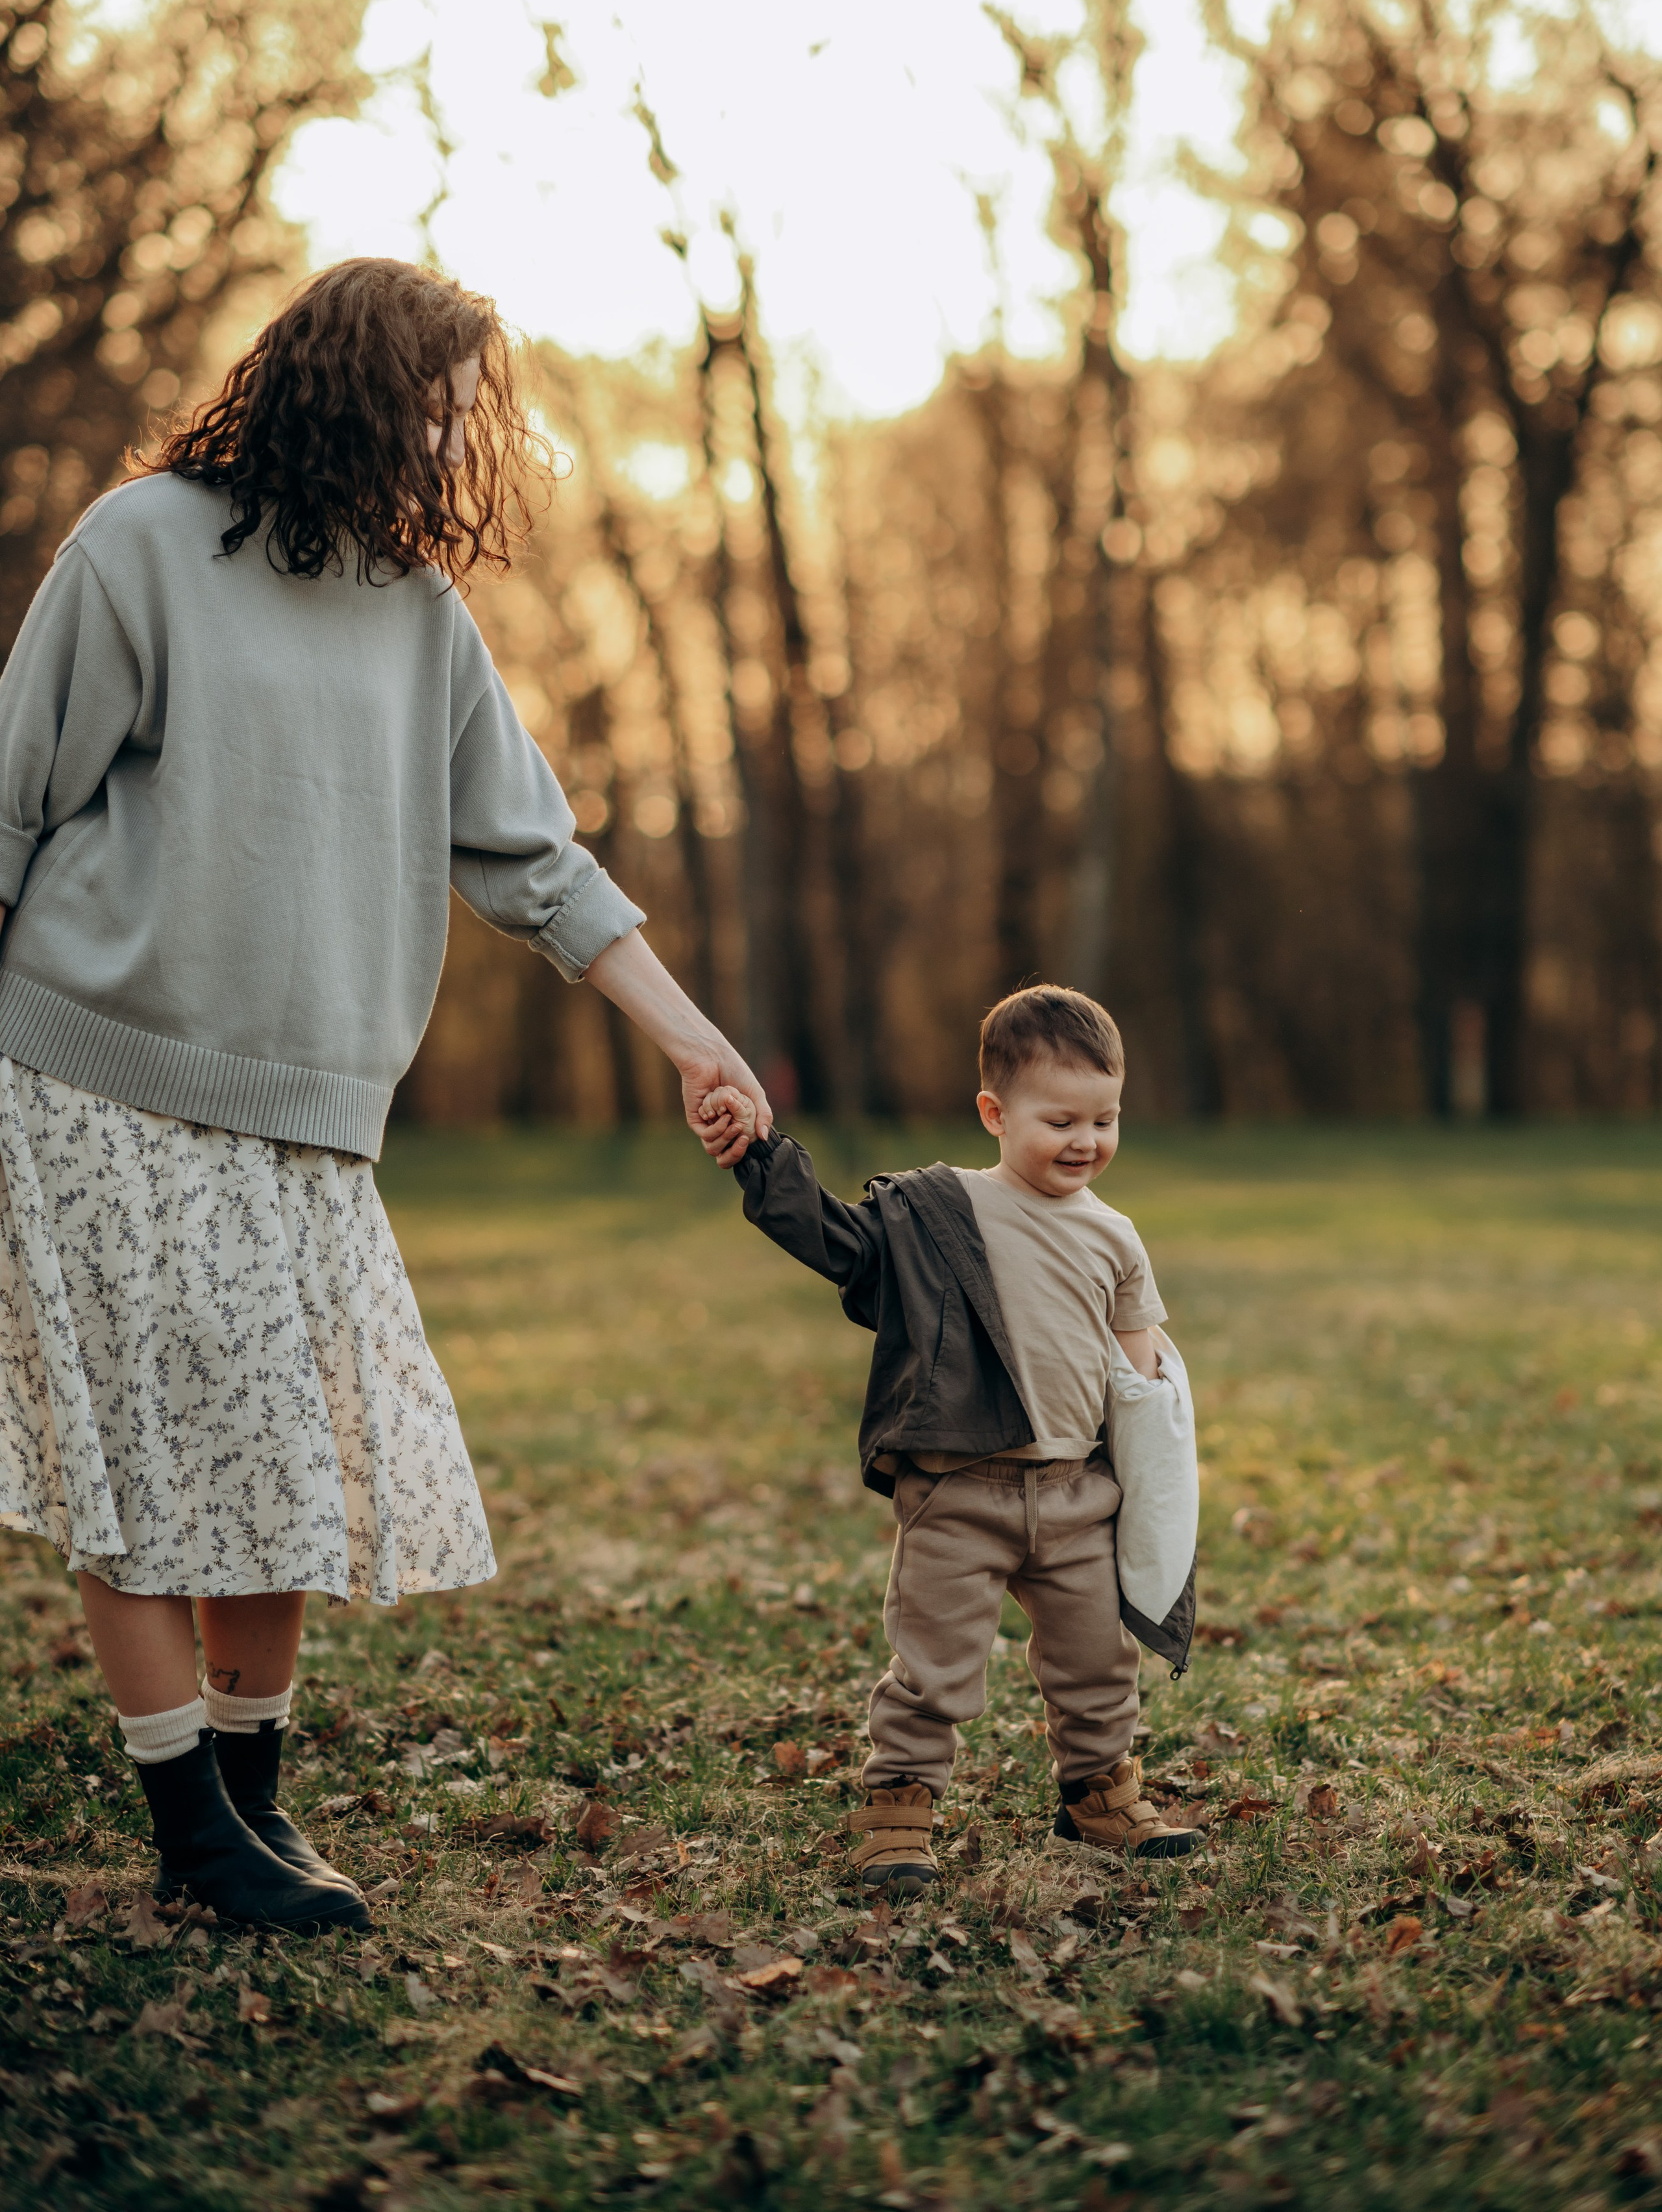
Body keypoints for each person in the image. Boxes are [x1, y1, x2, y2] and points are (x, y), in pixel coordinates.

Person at [0, 257, 769, 1935]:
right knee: (135, 1465)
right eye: (435, 402)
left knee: (281, 1461)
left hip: (311, 1113)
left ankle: (253, 1805)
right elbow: (14, 801)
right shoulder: (140, 547)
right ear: (339, 382)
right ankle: (190, 1831)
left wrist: (693, 1039)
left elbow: (534, 860)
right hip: (92, 1069)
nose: (456, 437)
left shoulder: (419, 611)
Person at [698, 983, 1199, 1891]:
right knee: (933, 1668)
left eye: (1105, 1118)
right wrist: (761, 1157)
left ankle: (1099, 1796)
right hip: (961, 1488)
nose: (1086, 1141)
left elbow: (1142, 1390)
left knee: (1097, 1661)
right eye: (1061, 1120)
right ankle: (898, 1812)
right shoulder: (937, 1211)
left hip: (1078, 1493)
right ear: (994, 1114)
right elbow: (836, 1243)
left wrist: (1153, 1494)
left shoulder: (1118, 1238)